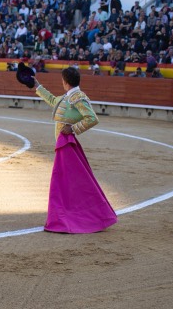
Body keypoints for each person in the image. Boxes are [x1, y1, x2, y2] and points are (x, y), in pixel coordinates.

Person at [30, 66, 118, 234]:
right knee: (70, 182)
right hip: (63, 144)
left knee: (65, 182)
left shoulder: (77, 97)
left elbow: (92, 118)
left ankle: (73, 215)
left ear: (65, 82)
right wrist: (37, 86)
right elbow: (52, 101)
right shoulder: (68, 96)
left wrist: (73, 129)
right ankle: (74, 213)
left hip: (66, 144)